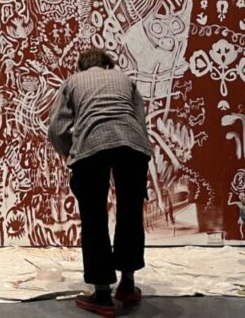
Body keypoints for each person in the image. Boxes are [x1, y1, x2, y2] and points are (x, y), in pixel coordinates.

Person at [48, 48, 151, 318]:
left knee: (94, 217)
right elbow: (139, 121)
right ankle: (127, 284)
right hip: (133, 145)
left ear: (81, 67)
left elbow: (57, 129)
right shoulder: (125, 80)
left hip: (91, 146)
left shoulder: (73, 82)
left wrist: (73, 153)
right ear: (108, 64)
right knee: (130, 213)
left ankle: (102, 294)